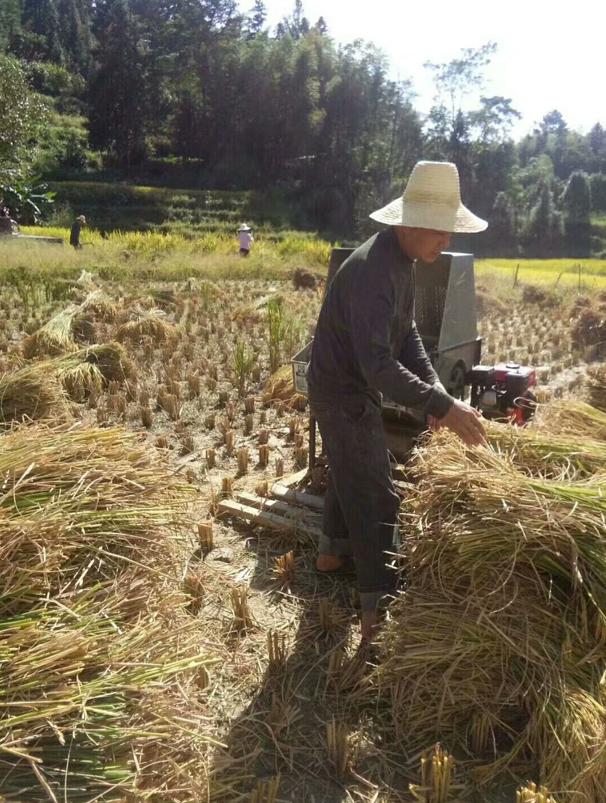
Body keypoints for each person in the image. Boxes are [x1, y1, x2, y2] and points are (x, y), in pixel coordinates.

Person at [307, 160, 488, 643]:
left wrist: (438, 395)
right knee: (376, 491)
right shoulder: (372, 272)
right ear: (410, 224)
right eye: (439, 232)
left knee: (349, 467)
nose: (445, 242)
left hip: (346, 383)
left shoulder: (402, 262)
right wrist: (441, 407)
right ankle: (377, 612)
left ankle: (330, 552)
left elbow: (406, 333)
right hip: (342, 390)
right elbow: (379, 368)